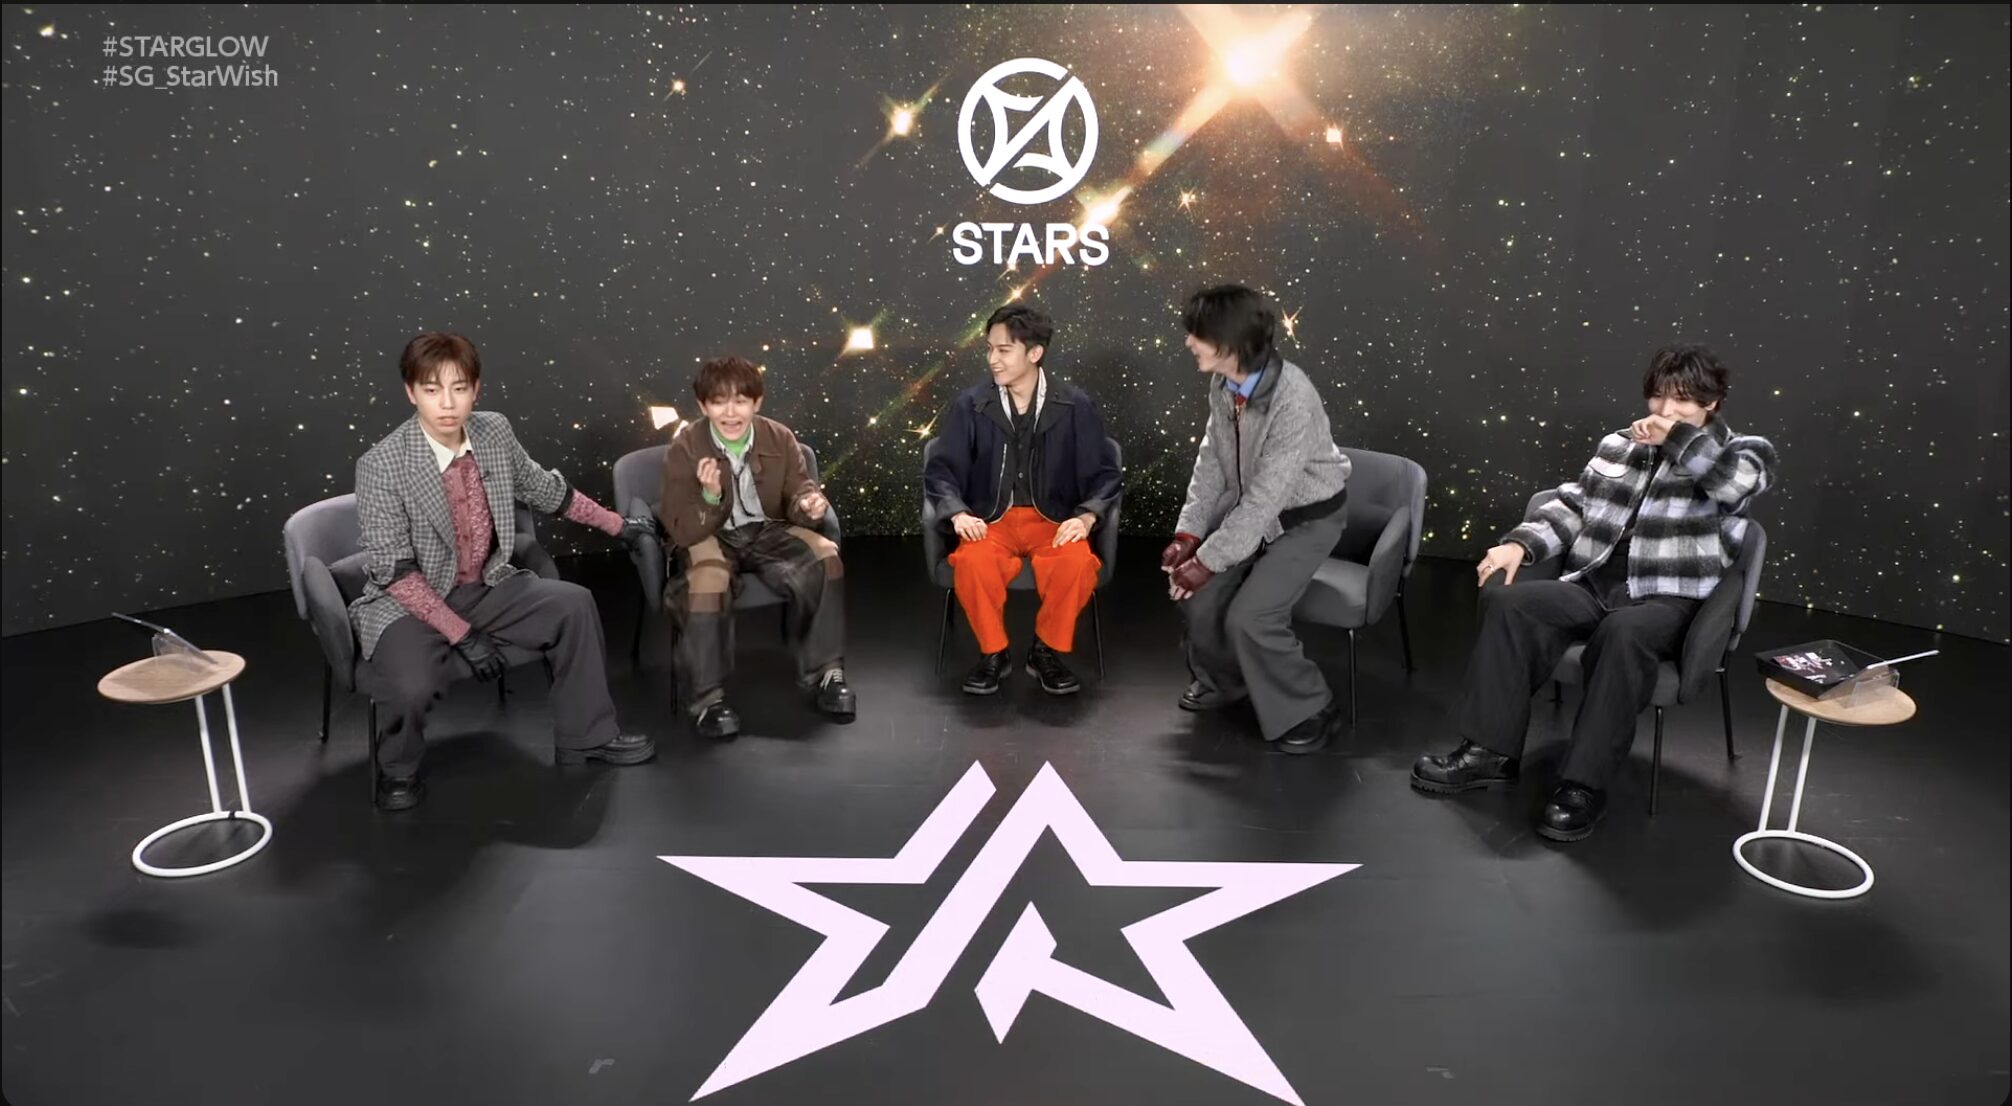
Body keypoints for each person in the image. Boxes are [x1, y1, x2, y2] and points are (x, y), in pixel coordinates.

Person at [1411, 344, 1778, 841]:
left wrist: (1676, 439)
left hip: (1666, 597)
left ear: (1710, 402)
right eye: (1659, 397)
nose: (1666, 410)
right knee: (1508, 603)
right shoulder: (1620, 444)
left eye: (1682, 400)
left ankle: (1582, 785)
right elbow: (1575, 505)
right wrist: (1520, 544)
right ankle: (1489, 752)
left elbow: (1735, 486)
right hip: (1595, 582)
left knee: (1624, 633)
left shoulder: (1744, 452)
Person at [351, 333, 660, 811]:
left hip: (486, 586)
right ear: (411, 392)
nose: (447, 403)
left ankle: (587, 737)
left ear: (476, 390)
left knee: (573, 605)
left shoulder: (493, 431)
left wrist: (618, 526)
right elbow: (397, 572)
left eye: (459, 388)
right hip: (408, 602)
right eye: (432, 390)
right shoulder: (381, 465)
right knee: (410, 684)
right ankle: (397, 769)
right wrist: (461, 633)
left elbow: (544, 489)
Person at [1165, 284, 1351, 753]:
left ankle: (1311, 706)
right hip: (1253, 514)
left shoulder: (1293, 398)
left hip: (1305, 520)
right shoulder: (1224, 383)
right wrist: (1189, 532)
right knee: (1199, 597)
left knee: (1252, 616)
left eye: (1197, 334)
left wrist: (1209, 559)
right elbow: (1212, 460)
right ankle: (1225, 681)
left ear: (1229, 343)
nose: (1188, 342)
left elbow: (1268, 498)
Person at [923, 303, 1122, 695]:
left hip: (1054, 520)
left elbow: (1105, 473)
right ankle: (993, 653)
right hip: (990, 520)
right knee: (973, 563)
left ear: (1035, 353)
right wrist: (958, 513)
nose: (992, 360)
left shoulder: (1075, 404)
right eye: (989, 349)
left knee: (1076, 564)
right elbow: (941, 470)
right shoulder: (971, 404)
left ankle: (1044, 650)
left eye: (1003, 350)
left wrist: (1086, 517)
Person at [656, 355, 853, 739]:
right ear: (703, 406)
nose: (730, 412)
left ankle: (827, 673)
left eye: (740, 401)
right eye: (719, 402)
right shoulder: (685, 447)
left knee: (826, 556)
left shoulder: (780, 436)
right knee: (708, 580)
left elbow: (799, 488)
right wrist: (710, 496)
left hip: (767, 529)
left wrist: (808, 504)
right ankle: (707, 700)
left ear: (756, 402)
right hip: (709, 534)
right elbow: (680, 526)